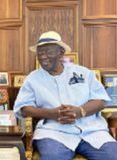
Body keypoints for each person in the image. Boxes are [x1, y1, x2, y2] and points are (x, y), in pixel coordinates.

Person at [14, 31, 117, 160]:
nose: (43, 56)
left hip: (92, 131)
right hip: (53, 132)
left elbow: (101, 100)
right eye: (40, 53)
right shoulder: (32, 79)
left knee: (113, 156)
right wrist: (52, 113)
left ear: (61, 52)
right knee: (53, 157)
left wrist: (80, 111)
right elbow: (23, 109)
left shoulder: (83, 73)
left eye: (49, 52)